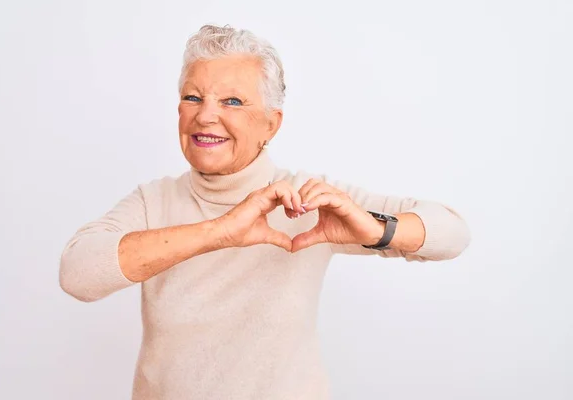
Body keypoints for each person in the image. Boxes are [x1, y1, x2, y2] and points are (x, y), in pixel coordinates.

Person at [59, 24, 471, 400]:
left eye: (232, 101)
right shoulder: (154, 200)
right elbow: (78, 274)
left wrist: (373, 228)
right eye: (192, 97)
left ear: (271, 125)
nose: (206, 115)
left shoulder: (307, 200)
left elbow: (452, 233)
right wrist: (220, 231)